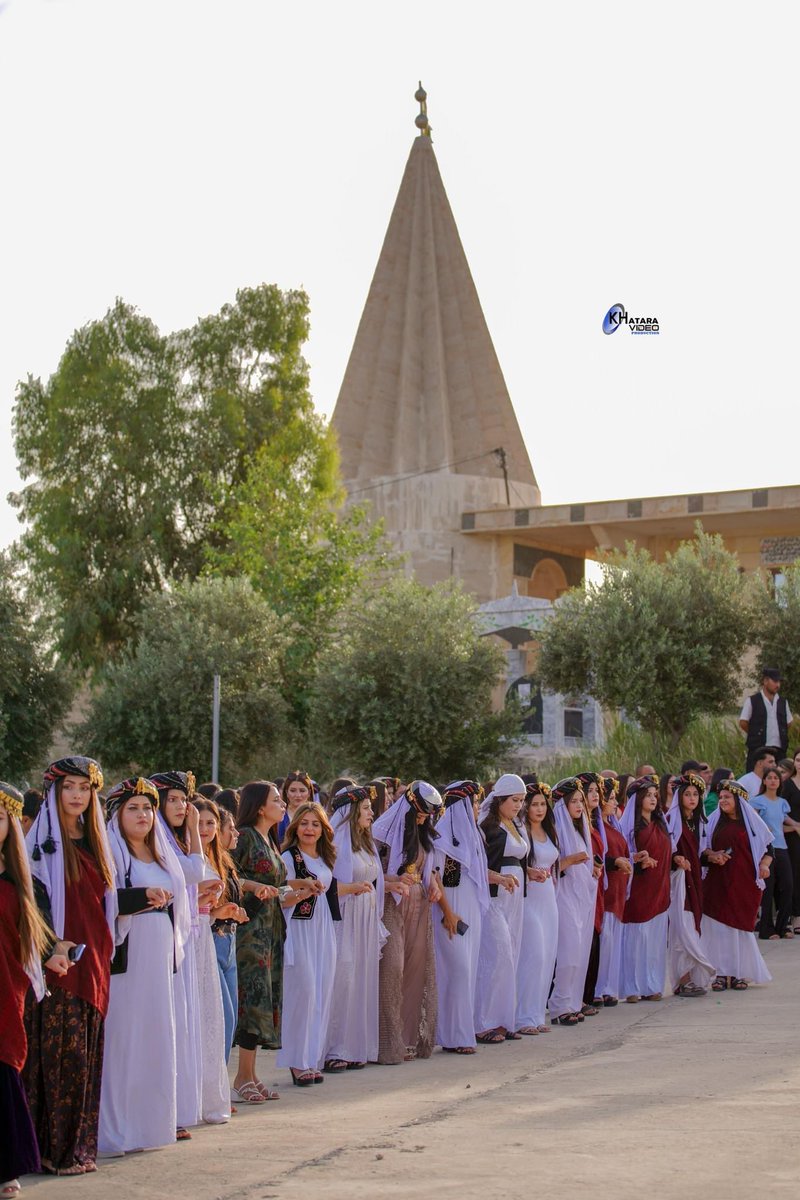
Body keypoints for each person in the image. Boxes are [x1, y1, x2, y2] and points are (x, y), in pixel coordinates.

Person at [23, 756, 116, 1176]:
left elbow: (105, 903)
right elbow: (33, 904)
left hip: (95, 961)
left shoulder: (95, 841)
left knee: (85, 1057)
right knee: (59, 1056)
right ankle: (52, 1151)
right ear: (54, 791)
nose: (77, 795)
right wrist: (49, 948)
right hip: (60, 963)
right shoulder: (42, 846)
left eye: (84, 788)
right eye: (69, 787)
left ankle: (77, 1148)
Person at [99, 778, 190, 1155]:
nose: (143, 815)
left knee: (155, 1035)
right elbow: (102, 900)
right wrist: (142, 897)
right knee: (125, 1039)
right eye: (133, 808)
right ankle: (116, 1131)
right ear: (118, 815)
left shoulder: (161, 855)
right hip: (127, 958)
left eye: (148, 809)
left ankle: (150, 1126)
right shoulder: (112, 854)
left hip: (158, 960)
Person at [0, 782, 65, 1198]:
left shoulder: (17, 883)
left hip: (4, 988)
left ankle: (6, 1166)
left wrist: (53, 953)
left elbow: (38, 936)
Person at [277, 802, 368, 1085]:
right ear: (295, 827)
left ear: (323, 829)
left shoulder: (326, 857)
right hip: (300, 928)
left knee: (320, 992)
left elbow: (332, 892)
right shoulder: (289, 857)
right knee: (303, 992)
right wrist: (303, 889)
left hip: (323, 928)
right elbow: (281, 893)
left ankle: (311, 1058)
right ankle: (296, 1060)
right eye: (304, 823)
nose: (309, 829)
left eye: (315, 824)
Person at [152, 770, 206, 1137]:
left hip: (180, 942)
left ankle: (179, 1109)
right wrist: (195, 829)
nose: (181, 805)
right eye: (172, 799)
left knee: (183, 1022)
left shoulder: (175, 841)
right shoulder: (156, 844)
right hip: (157, 945)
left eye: (183, 799)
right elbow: (194, 872)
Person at [373, 781, 442, 1064]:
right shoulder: (381, 832)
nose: (425, 817)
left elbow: (429, 870)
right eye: (422, 812)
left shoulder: (425, 834)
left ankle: (410, 1040)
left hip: (420, 903)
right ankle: (388, 1042)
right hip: (391, 905)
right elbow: (372, 872)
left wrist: (434, 885)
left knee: (415, 970)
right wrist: (392, 882)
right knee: (393, 968)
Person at [230, 781, 290, 1104]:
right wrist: (253, 886)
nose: (282, 805)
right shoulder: (244, 837)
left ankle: (252, 1074)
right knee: (252, 996)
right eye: (276, 799)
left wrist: (297, 888)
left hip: (271, 930)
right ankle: (241, 1076)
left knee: (265, 995)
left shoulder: (269, 838)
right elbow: (230, 876)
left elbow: (275, 885)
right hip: (249, 930)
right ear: (259, 806)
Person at [326, 786, 389, 1069]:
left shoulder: (366, 843)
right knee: (345, 978)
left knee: (362, 977)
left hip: (365, 917)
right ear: (351, 813)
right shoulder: (339, 843)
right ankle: (334, 1049)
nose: (371, 813)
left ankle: (354, 1048)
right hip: (347, 917)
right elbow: (329, 888)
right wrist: (352, 888)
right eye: (365, 809)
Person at [432, 781, 489, 1053]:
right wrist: (447, 912)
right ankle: (453, 1035)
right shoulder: (442, 836)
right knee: (457, 971)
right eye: (474, 803)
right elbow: (435, 878)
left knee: (469, 971)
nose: (478, 808)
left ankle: (462, 1034)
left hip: (470, 910)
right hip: (449, 910)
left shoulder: (474, 836)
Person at [702, 780, 773, 990]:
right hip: (718, 883)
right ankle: (721, 974)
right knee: (719, 930)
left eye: (727, 797)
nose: (722, 801)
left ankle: (740, 973)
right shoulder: (713, 822)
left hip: (744, 883)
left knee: (740, 929)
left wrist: (764, 865)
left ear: (739, 800)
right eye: (721, 797)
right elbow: (702, 850)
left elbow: (769, 849)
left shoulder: (752, 823)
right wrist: (713, 856)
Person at [474, 774, 528, 1042]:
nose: (518, 806)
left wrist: (531, 872)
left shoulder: (515, 824)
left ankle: (505, 1020)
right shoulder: (489, 826)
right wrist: (500, 879)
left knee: (512, 957)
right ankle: (484, 1021)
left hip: (515, 898)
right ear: (500, 800)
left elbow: (516, 860)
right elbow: (480, 868)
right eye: (514, 800)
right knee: (497, 958)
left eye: (521, 801)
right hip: (495, 899)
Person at [192, 799, 234, 1123]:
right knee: (213, 1018)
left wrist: (222, 911)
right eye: (200, 822)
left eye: (211, 823)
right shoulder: (190, 857)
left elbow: (206, 912)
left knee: (223, 1019)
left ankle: (213, 1088)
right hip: (196, 944)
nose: (206, 829)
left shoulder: (215, 858)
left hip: (214, 938)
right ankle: (204, 1091)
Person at [620, 776, 673, 1003]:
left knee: (655, 940)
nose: (652, 799)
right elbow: (623, 856)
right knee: (637, 937)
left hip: (659, 886)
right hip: (639, 888)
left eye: (655, 795)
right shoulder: (630, 828)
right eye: (648, 795)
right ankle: (632, 986)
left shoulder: (661, 823)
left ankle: (652, 985)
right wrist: (638, 861)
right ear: (638, 799)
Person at [549, 778, 596, 1027]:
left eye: (581, 801)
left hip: (581, 896)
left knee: (579, 951)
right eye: (574, 801)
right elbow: (549, 865)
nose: (579, 805)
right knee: (567, 952)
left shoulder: (580, 827)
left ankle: (571, 1002)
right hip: (563, 895)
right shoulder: (556, 828)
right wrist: (572, 860)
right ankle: (558, 1005)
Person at [665, 773, 715, 997]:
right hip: (678, 882)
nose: (692, 798)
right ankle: (682, 980)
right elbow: (667, 849)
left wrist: (712, 856)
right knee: (681, 929)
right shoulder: (670, 820)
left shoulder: (697, 822)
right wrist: (676, 859)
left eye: (696, 794)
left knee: (691, 925)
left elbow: (699, 852)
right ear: (679, 797)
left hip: (694, 880)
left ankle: (691, 978)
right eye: (687, 794)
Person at [515, 781, 558, 1034]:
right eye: (534, 804)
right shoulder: (521, 831)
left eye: (543, 804)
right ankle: (521, 1017)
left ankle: (536, 1015)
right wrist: (530, 873)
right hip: (529, 898)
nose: (539, 809)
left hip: (549, 897)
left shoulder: (550, 830)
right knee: (534, 955)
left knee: (547, 957)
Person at [211, 807, 246, 1064]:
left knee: (230, 1017)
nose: (235, 832)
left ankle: (218, 1088)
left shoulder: (225, 862)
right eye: (230, 828)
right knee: (222, 1017)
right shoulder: (204, 862)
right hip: (213, 939)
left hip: (229, 939)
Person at [595, 777, 632, 1006]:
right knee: (604, 940)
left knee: (613, 942)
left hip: (618, 891)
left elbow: (621, 851)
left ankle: (609, 987)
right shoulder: (599, 826)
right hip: (606, 892)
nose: (614, 802)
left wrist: (632, 859)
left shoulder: (613, 825)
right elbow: (601, 856)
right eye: (610, 799)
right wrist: (615, 862)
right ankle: (598, 989)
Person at [750, 766, 800, 940]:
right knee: (768, 889)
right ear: (764, 781)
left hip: (783, 848)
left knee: (788, 886)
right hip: (766, 850)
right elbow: (752, 824)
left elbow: (784, 824)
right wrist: (764, 830)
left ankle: (783, 926)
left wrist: (795, 826)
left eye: (776, 778)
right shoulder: (756, 801)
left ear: (780, 782)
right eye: (769, 777)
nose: (773, 780)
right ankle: (766, 929)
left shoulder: (781, 803)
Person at [577, 772, 605, 1016]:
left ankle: (587, 994)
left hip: (595, 886)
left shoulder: (595, 823)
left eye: (597, 791)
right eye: (591, 791)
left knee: (593, 940)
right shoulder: (576, 824)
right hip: (578, 888)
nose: (595, 795)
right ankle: (578, 997)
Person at [740, 668, 793, 771]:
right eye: (775, 681)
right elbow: (743, 722)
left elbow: (789, 723)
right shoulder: (752, 700)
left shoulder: (783, 702)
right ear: (765, 681)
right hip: (758, 748)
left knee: (779, 779)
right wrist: (755, 733)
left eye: (779, 682)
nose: (778, 685)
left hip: (779, 749)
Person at [781, 748, 800, 935]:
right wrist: (794, 825)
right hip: (793, 836)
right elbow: (781, 809)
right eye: (798, 760)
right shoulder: (787, 785)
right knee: (795, 874)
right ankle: (796, 916)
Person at [278, 770, 315, 841]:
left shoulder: (317, 815)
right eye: (293, 790)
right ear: (286, 792)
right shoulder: (278, 814)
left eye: (302, 791)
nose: (298, 795)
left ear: (309, 793)